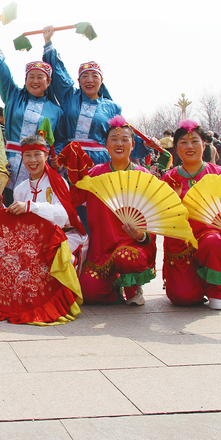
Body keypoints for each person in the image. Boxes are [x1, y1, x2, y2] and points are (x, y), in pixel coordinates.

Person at [68, 116, 157, 305]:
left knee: (126, 257)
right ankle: (114, 287)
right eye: (114, 139)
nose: (119, 144)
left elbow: (155, 217)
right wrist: (73, 172)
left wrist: (142, 236)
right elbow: (75, 199)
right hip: (101, 249)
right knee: (89, 293)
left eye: (125, 139)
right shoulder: (95, 174)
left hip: (132, 245)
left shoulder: (143, 176)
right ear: (106, 145)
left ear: (133, 145)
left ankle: (133, 288)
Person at [162, 120, 221, 310]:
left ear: (204, 145)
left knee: (215, 243)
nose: (190, 146)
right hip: (180, 244)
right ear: (176, 149)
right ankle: (194, 284)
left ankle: (218, 290)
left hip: (211, 237)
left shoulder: (219, 174)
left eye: (195, 141)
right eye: (183, 142)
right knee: (183, 298)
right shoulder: (168, 179)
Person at [0, 27, 64, 202]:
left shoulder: (56, 111)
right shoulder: (13, 96)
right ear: (25, 80)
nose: (35, 81)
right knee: (5, 205)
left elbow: (60, 139)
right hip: (9, 164)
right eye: (31, 77)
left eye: (40, 77)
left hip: (37, 167)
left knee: (33, 206)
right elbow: (2, 74)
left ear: (49, 81)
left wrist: (58, 156)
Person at [42, 26, 140, 164]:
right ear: (79, 81)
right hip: (70, 158)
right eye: (85, 76)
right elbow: (59, 73)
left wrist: (149, 143)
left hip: (100, 162)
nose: (89, 80)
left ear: (101, 81)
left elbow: (125, 134)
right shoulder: (70, 97)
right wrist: (48, 41)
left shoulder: (112, 107)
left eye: (94, 76)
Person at [7, 135, 88, 267]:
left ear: (46, 156)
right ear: (22, 157)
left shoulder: (59, 182)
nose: (32, 160)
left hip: (63, 237)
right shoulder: (19, 190)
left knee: (53, 258)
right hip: (32, 241)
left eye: (37, 154)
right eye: (27, 155)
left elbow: (63, 216)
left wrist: (31, 207)